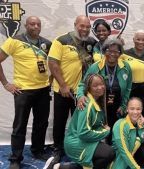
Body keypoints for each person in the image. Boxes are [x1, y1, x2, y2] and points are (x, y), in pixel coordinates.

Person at [0, 16, 52, 169]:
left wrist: (51, 79)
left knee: (41, 123)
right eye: (32, 24)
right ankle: (15, 158)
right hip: (23, 91)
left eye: (38, 24)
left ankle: (38, 151)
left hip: (43, 90)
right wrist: (6, 84)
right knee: (19, 125)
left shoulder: (45, 43)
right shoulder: (14, 41)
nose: (36, 26)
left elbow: (56, 63)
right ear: (25, 25)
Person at [48, 15, 97, 164]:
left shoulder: (90, 42)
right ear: (75, 25)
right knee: (60, 122)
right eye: (82, 26)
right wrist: (63, 85)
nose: (85, 29)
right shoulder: (61, 40)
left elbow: (104, 49)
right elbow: (53, 64)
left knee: (79, 123)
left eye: (88, 27)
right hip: (63, 91)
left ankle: (78, 147)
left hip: (81, 93)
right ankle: (57, 149)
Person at [44, 73, 116, 169]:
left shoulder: (97, 100)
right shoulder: (86, 105)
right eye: (95, 85)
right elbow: (83, 133)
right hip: (76, 142)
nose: (100, 87)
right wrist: (105, 132)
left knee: (106, 154)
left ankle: (59, 168)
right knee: (109, 153)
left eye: (101, 84)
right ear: (88, 88)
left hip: (84, 140)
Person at [77, 38, 132, 145]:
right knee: (101, 133)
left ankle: (114, 154)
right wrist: (80, 96)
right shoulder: (95, 67)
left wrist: (124, 106)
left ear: (120, 53)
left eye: (116, 51)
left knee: (116, 134)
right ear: (104, 51)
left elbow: (128, 88)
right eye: (109, 50)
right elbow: (83, 84)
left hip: (117, 108)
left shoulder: (126, 67)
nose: (113, 54)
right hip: (100, 108)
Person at [109, 97, 144, 169]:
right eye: (132, 109)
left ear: (141, 110)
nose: (135, 112)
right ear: (127, 109)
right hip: (121, 159)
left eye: (138, 109)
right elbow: (124, 152)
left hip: (134, 154)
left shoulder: (142, 122)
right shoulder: (120, 125)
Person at [120, 30, 144, 118]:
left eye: (143, 40)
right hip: (130, 89)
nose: (141, 42)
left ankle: (142, 132)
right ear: (133, 40)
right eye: (138, 39)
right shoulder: (125, 54)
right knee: (129, 116)